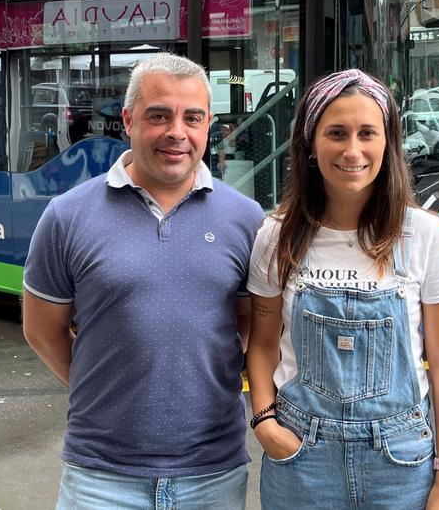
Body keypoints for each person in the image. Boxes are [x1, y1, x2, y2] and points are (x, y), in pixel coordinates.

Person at [22, 53, 264, 509]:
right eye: (159, 115)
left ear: (208, 124)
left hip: (212, 474)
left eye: (192, 117)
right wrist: (102, 390)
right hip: (99, 477)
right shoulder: (67, 216)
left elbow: (253, 328)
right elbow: (41, 330)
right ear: (129, 120)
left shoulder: (247, 220)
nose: (177, 132)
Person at [246, 69, 439, 509]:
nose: (353, 150)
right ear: (311, 144)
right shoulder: (277, 235)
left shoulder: (423, 235)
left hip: (401, 462)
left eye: (367, 133)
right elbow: (263, 343)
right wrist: (264, 422)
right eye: (336, 133)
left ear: (387, 144)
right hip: (300, 458)